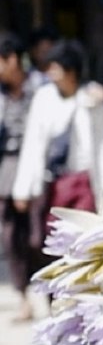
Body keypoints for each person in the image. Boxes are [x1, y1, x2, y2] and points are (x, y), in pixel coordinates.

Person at [12, 38, 103, 222]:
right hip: (54, 181)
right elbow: (32, 144)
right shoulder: (44, 98)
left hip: (84, 181)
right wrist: (23, 189)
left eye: (56, 68)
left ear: (71, 71)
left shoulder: (92, 99)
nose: (52, 73)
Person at [0, 32, 45, 317]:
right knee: (9, 235)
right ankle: (23, 295)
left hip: (38, 167)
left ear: (12, 60)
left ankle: (50, 292)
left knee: (38, 235)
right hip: (6, 166)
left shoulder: (42, 87)